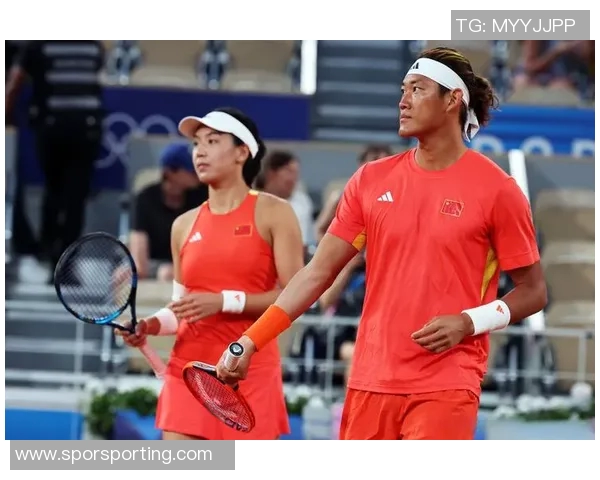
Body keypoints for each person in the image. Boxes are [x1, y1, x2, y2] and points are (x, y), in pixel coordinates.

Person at [215, 47, 548, 440]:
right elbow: (317, 273)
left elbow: (533, 292)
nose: (403, 101)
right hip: (369, 379)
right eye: (403, 90)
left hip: (447, 382)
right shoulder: (370, 180)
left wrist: (468, 323)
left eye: (417, 89)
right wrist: (249, 340)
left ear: (453, 99)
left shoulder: (498, 190)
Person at [117, 107, 305, 440]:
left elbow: (296, 296)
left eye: (213, 141)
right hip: (186, 374)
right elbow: (181, 309)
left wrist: (224, 301)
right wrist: (149, 325)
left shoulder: (275, 212)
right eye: (197, 143)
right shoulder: (183, 225)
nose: (199, 151)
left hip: (247, 371)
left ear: (242, 152)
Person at [5, 40, 105, 276]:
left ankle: (51, 255)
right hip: (86, 129)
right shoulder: (93, 45)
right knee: (75, 199)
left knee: (54, 192)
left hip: (53, 128)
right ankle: (65, 264)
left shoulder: (39, 44)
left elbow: (16, 80)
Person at [129, 142, 208, 281]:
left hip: (188, 262)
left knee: (167, 273)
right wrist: (138, 268)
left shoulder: (202, 195)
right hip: (153, 261)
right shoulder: (146, 198)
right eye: (191, 170)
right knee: (122, 275)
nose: (197, 173)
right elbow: (139, 236)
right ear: (170, 172)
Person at [314, 144, 392, 244]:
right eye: (375, 160)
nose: (380, 167)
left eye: (385, 162)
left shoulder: (395, 200)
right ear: (361, 165)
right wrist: (336, 253)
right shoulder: (341, 197)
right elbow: (320, 230)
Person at [255, 150, 315, 248]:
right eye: (289, 171)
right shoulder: (253, 201)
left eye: (296, 173)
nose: (293, 178)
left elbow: (305, 240)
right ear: (271, 174)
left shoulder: (302, 202)